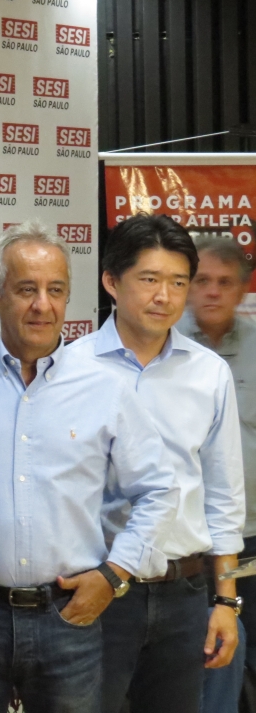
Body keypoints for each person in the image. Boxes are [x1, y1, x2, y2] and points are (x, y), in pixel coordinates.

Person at [0, 221, 179, 713]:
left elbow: (158, 489)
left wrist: (115, 573)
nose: (43, 305)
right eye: (27, 289)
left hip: (69, 616)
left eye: (56, 290)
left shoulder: (106, 386)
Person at [68, 214, 245, 713]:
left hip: (183, 592)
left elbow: (224, 495)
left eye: (178, 282)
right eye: (149, 279)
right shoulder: (70, 368)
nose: (164, 296)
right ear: (111, 281)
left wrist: (226, 601)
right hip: (96, 590)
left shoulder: (208, 373)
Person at [178, 236, 255, 713]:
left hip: (254, 536)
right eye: (202, 280)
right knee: (207, 661)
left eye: (224, 282)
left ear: (242, 290)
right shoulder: (164, 348)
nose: (212, 292)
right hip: (192, 547)